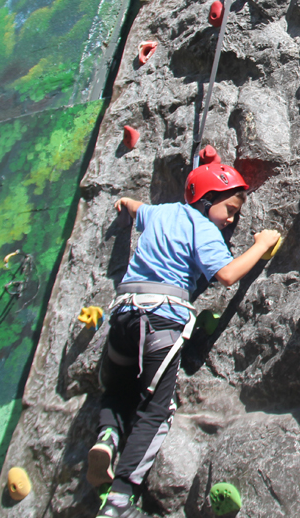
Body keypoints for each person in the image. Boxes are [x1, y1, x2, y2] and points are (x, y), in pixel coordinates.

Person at [89, 148, 281, 518]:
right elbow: (226, 275)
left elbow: (137, 209)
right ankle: (119, 501)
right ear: (207, 200)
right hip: (160, 320)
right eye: (229, 210)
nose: (231, 220)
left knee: (118, 388)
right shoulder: (204, 229)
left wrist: (124, 204)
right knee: (156, 411)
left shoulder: (162, 213)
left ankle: (107, 437)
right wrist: (260, 245)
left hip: (124, 314)